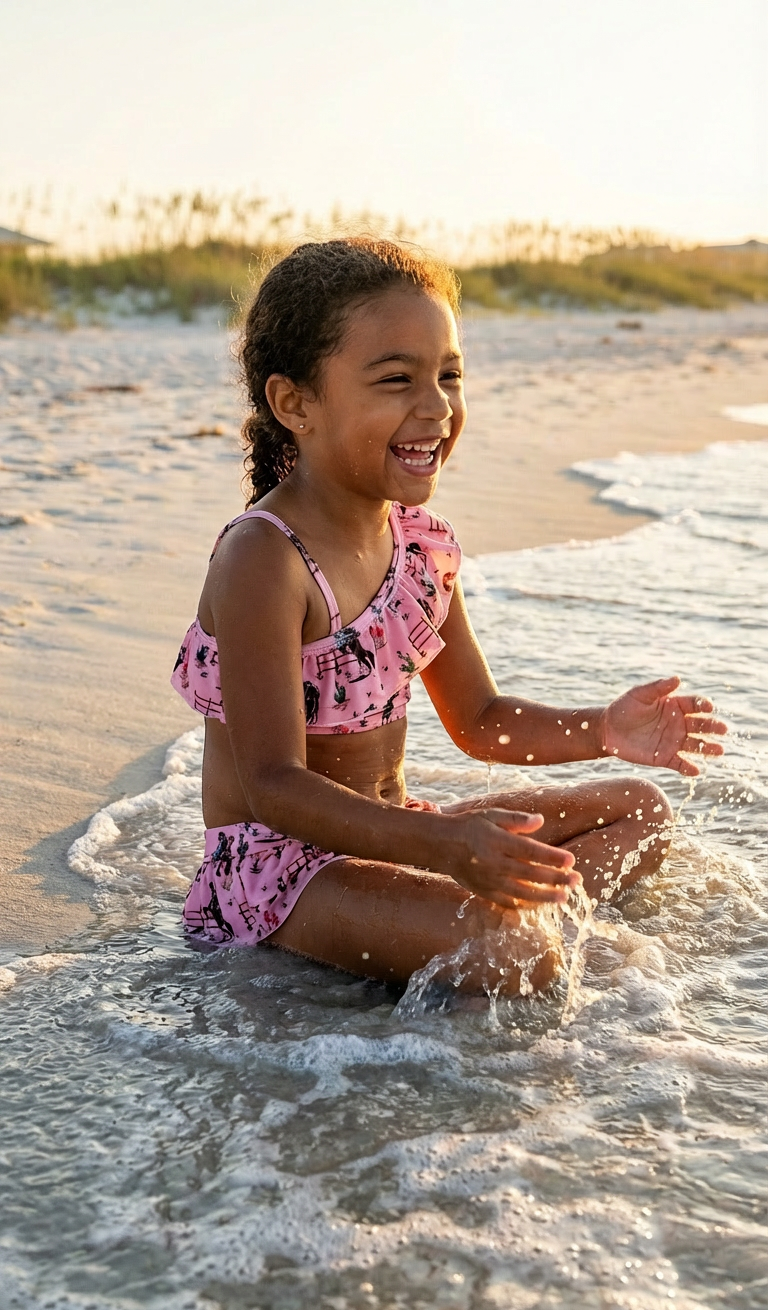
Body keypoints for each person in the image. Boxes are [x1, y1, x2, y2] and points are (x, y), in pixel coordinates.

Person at [171, 238, 726, 993]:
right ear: (294, 403)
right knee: (520, 956)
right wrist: (447, 848)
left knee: (641, 812)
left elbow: (482, 719)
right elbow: (273, 785)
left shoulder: (422, 546)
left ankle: (509, 914)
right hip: (282, 866)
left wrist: (605, 729)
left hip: (400, 836)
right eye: (397, 380)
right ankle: (509, 924)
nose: (435, 408)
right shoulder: (265, 560)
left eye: (449, 376)